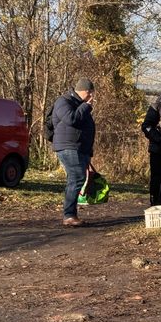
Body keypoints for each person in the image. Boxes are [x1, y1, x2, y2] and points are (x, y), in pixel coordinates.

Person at [52, 77, 96, 227]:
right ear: (85, 91)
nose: (92, 97)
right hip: (68, 146)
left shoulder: (79, 104)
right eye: (91, 94)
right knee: (77, 177)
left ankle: (71, 214)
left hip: (79, 148)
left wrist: (88, 154)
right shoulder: (64, 101)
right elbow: (71, 119)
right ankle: (69, 215)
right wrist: (86, 107)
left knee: (77, 178)